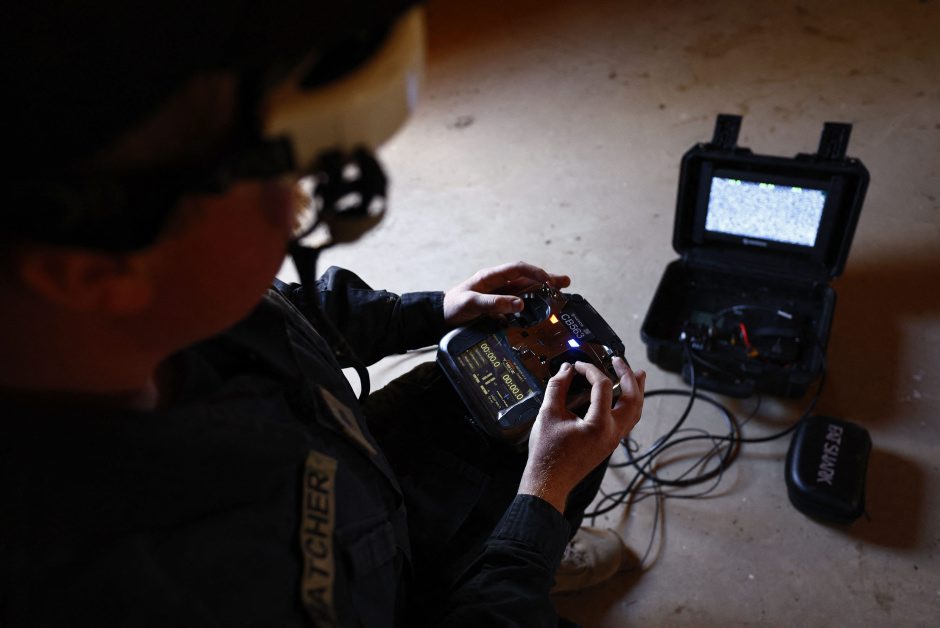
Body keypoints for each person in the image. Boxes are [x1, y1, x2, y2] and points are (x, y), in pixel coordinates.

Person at [0, 1, 646, 625]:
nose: (297, 206)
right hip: (374, 594)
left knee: (538, 404)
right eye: (264, 170)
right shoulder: (170, 589)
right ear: (90, 271)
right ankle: (506, 574)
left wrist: (432, 311)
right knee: (551, 465)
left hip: (352, 478)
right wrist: (538, 508)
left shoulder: (132, 301)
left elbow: (286, 310)